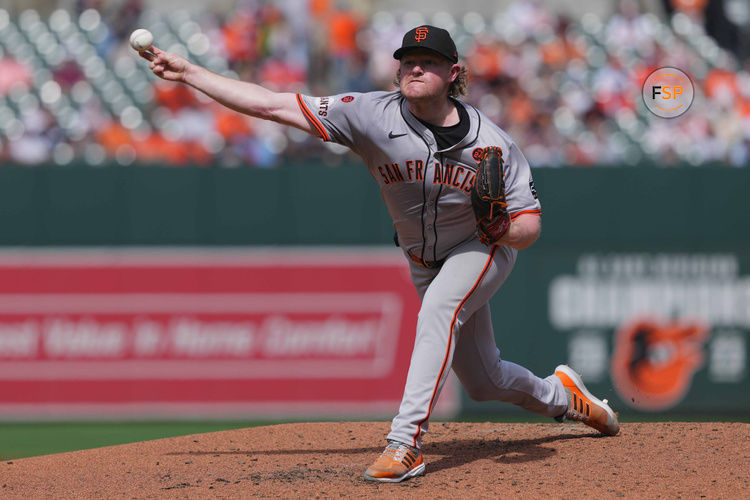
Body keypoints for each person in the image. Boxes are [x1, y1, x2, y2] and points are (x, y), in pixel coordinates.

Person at [138, 24, 620, 483]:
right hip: (422, 259)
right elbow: (270, 105)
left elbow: (530, 227)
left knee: (439, 311)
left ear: (453, 73)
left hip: (481, 247)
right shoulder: (369, 113)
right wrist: (190, 74)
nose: (414, 69)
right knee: (484, 381)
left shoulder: (493, 143)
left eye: (428, 62)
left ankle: (404, 442)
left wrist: (503, 230)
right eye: (408, 60)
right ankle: (565, 397)